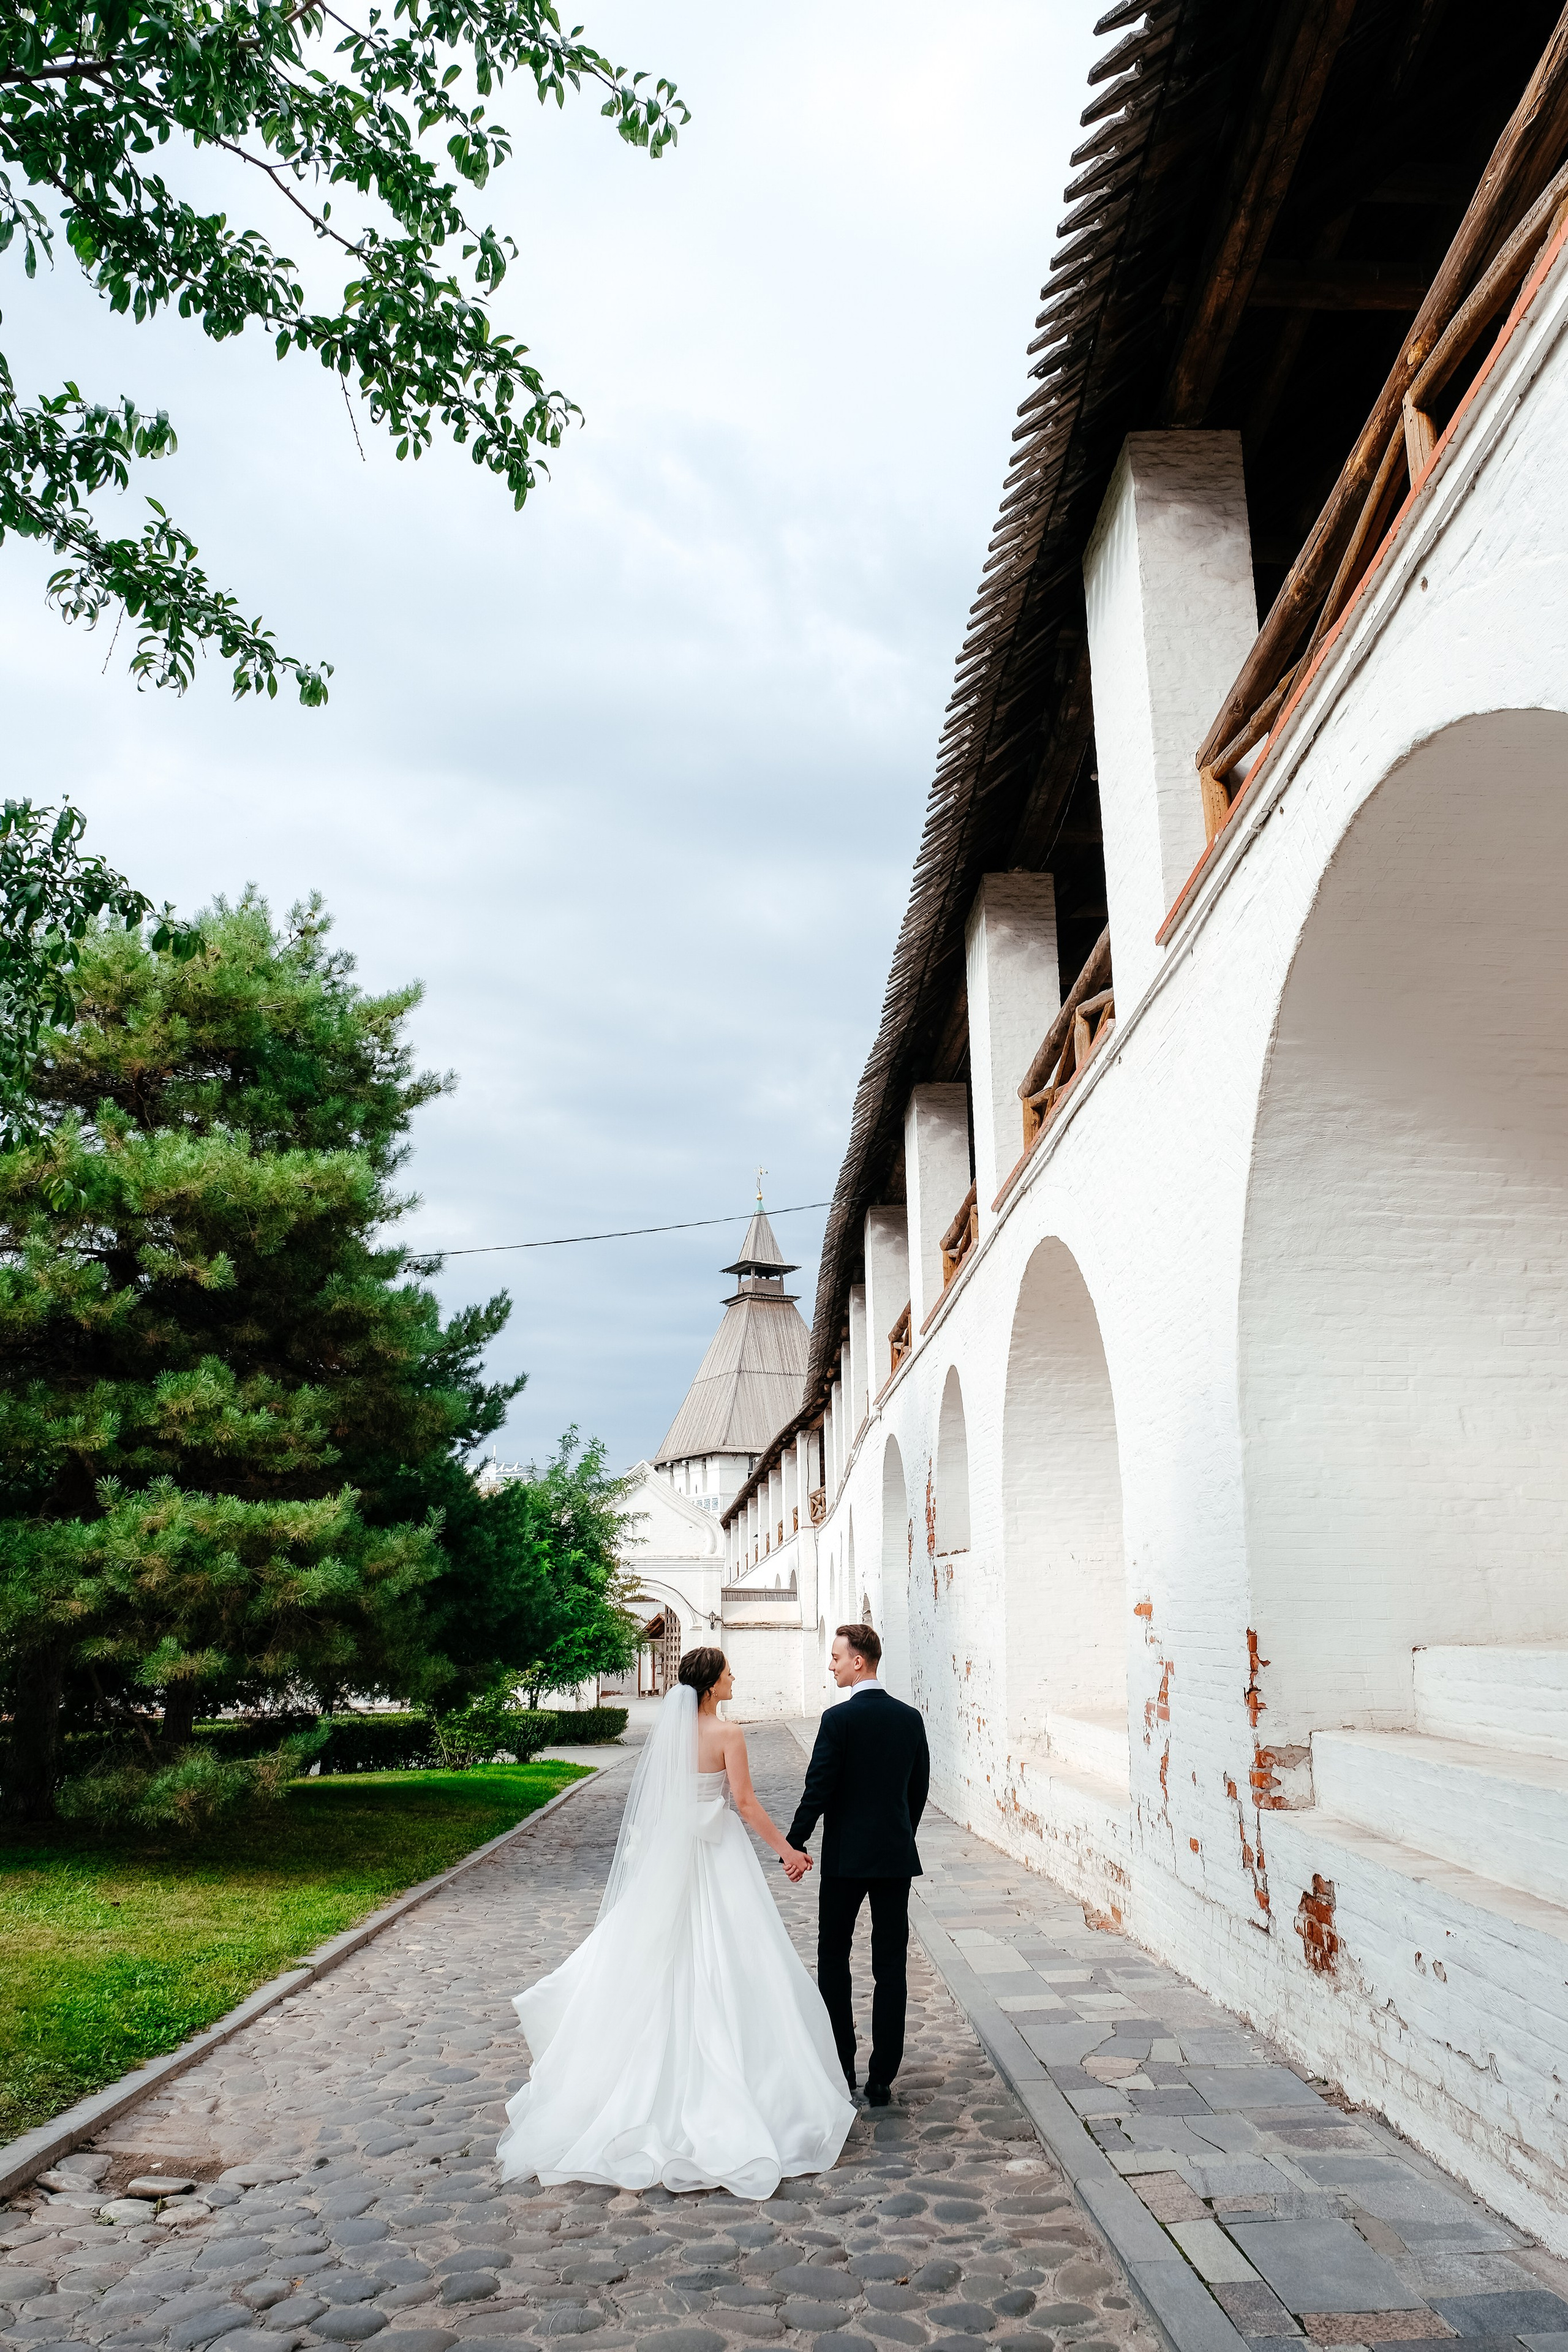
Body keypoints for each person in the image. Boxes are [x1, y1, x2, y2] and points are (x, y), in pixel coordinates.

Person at [496, 1646, 855, 2198]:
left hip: (674, 1856)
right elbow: (746, 1803)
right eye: (729, 1672)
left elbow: (660, 1805)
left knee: (662, 1957)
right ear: (711, 1685)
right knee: (735, 1960)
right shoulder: (727, 1734)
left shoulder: (670, 1738)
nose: (736, 1677)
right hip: (718, 1858)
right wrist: (788, 1851)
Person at [785, 1623, 930, 2108]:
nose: (831, 1665)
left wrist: (795, 1841)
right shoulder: (910, 1719)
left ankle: (841, 2065)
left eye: (835, 1657)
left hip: (846, 1860)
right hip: (893, 1858)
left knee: (834, 1960)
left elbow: (819, 1788)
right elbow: (918, 1791)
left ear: (859, 1662)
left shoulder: (837, 1721)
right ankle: (882, 2077)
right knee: (891, 1966)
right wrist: (899, 1835)